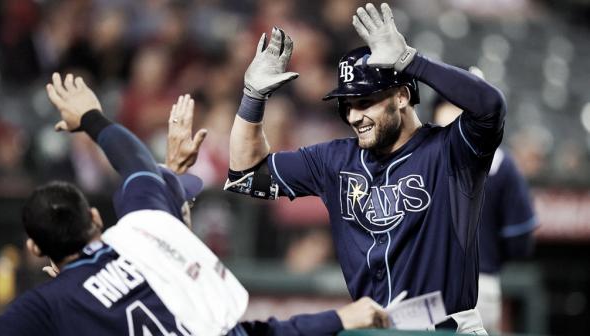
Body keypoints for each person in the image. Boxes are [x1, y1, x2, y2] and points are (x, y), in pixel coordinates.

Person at [0, 73, 389, 335]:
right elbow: (136, 163)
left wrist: (172, 176)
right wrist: (91, 116)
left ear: (34, 248)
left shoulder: (50, 305)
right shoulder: (143, 234)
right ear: (93, 217)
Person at [225, 3, 506, 334]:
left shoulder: (452, 150)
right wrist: (253, 97)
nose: (354, 116)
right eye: (347, 105)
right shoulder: (334, 159)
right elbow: (245, 176)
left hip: (445, 328)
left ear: (401, 96)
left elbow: (490, 107)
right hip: (376, 329)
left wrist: (411, 62)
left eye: (364, 102)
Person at [432, 90, 537, 333]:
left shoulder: (416, 155)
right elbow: (519, 242)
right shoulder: (500, 162)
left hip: (425, 284)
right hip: (481, 283)